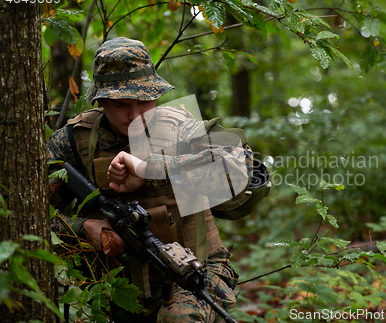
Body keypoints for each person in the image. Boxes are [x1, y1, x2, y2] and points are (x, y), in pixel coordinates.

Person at [47, 37, 254, 323]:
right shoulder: (73, 140)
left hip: (196, 272)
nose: (135, 115)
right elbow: (29, 215)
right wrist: (83, 227)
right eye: (122, 104)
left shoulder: (183, 129)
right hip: (114, 281)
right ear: (101, 100)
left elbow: (239, 170)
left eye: (144, 100)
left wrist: (150, 168)